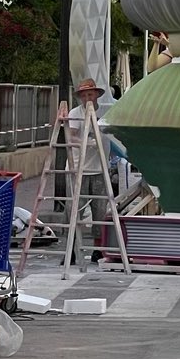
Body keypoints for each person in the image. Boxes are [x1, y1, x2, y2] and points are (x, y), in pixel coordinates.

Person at [66, 78, 115, 263]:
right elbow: (72, 137)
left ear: (96, 95)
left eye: (90, 94)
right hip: (79, 168)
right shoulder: (75, 113)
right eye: (84, 95)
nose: (87, 98)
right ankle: (70, 251)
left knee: (100, 211)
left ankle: (97, 250)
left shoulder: (106, 112)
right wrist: (89, 143)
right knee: (74, 211)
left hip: (100, 168)